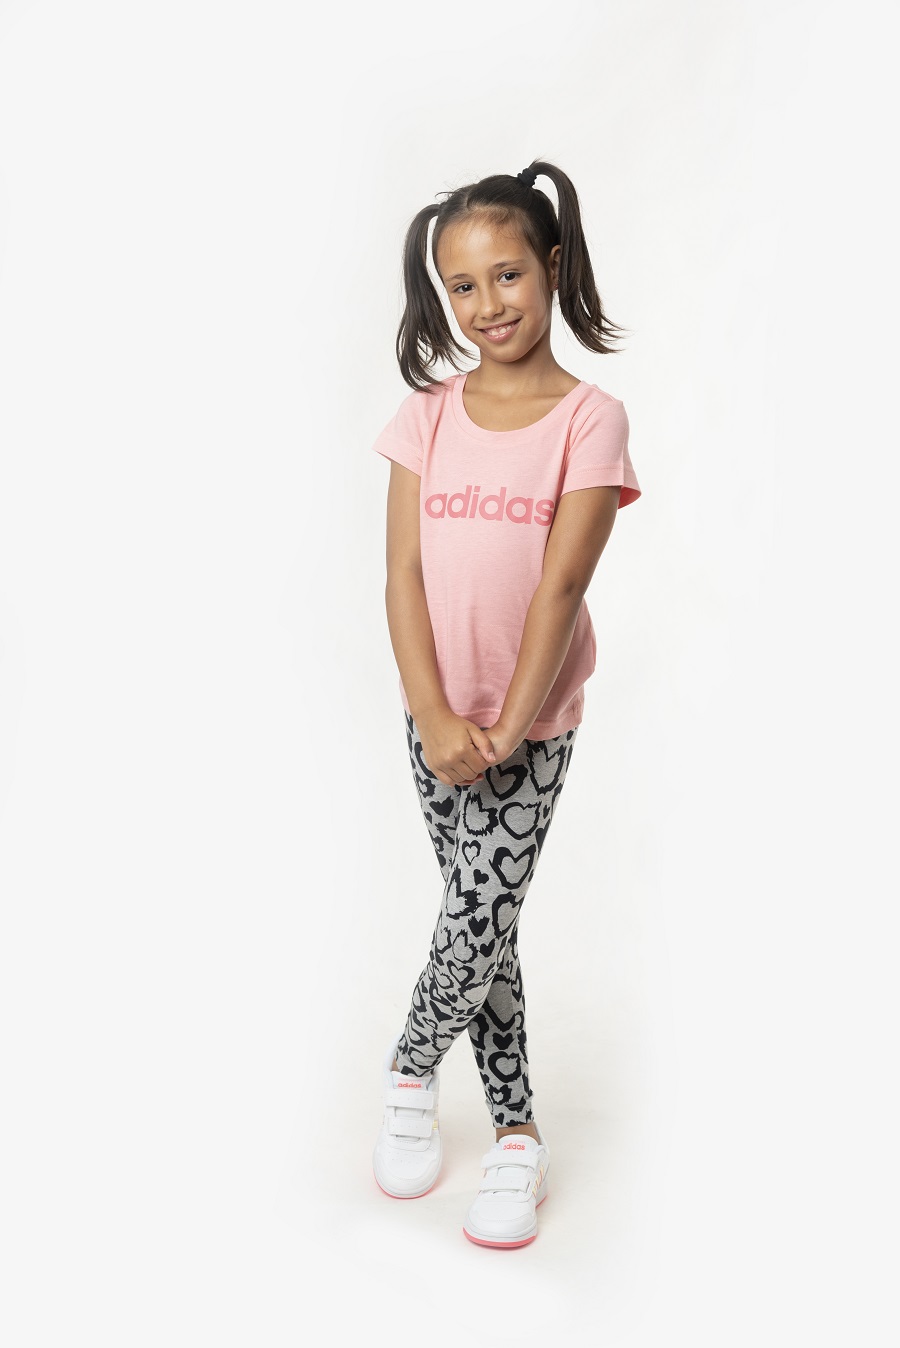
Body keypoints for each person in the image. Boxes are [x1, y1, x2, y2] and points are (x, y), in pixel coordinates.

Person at [369, 158, 642, 1248]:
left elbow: (562, 586)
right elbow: (402, 576)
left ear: (553, 267)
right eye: (463, 286)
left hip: (532, 723)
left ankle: (407, 1067)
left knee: (474, 914)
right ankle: (518, 1133)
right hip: (434, 717)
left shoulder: (591, 419)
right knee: (482, 921)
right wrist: (436, 717)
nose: (489, 304)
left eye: (509, 274)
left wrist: (512, 726)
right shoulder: (425, 418)